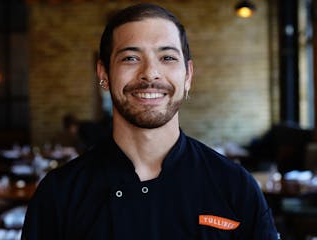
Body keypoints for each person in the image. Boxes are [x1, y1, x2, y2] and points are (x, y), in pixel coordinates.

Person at [22, 3, 279, 239]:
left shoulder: (235, 187)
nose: (150, 73)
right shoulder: (59, 194)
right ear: (104, 74)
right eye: (130, 58)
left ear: (187, 76)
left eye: (167, 57)